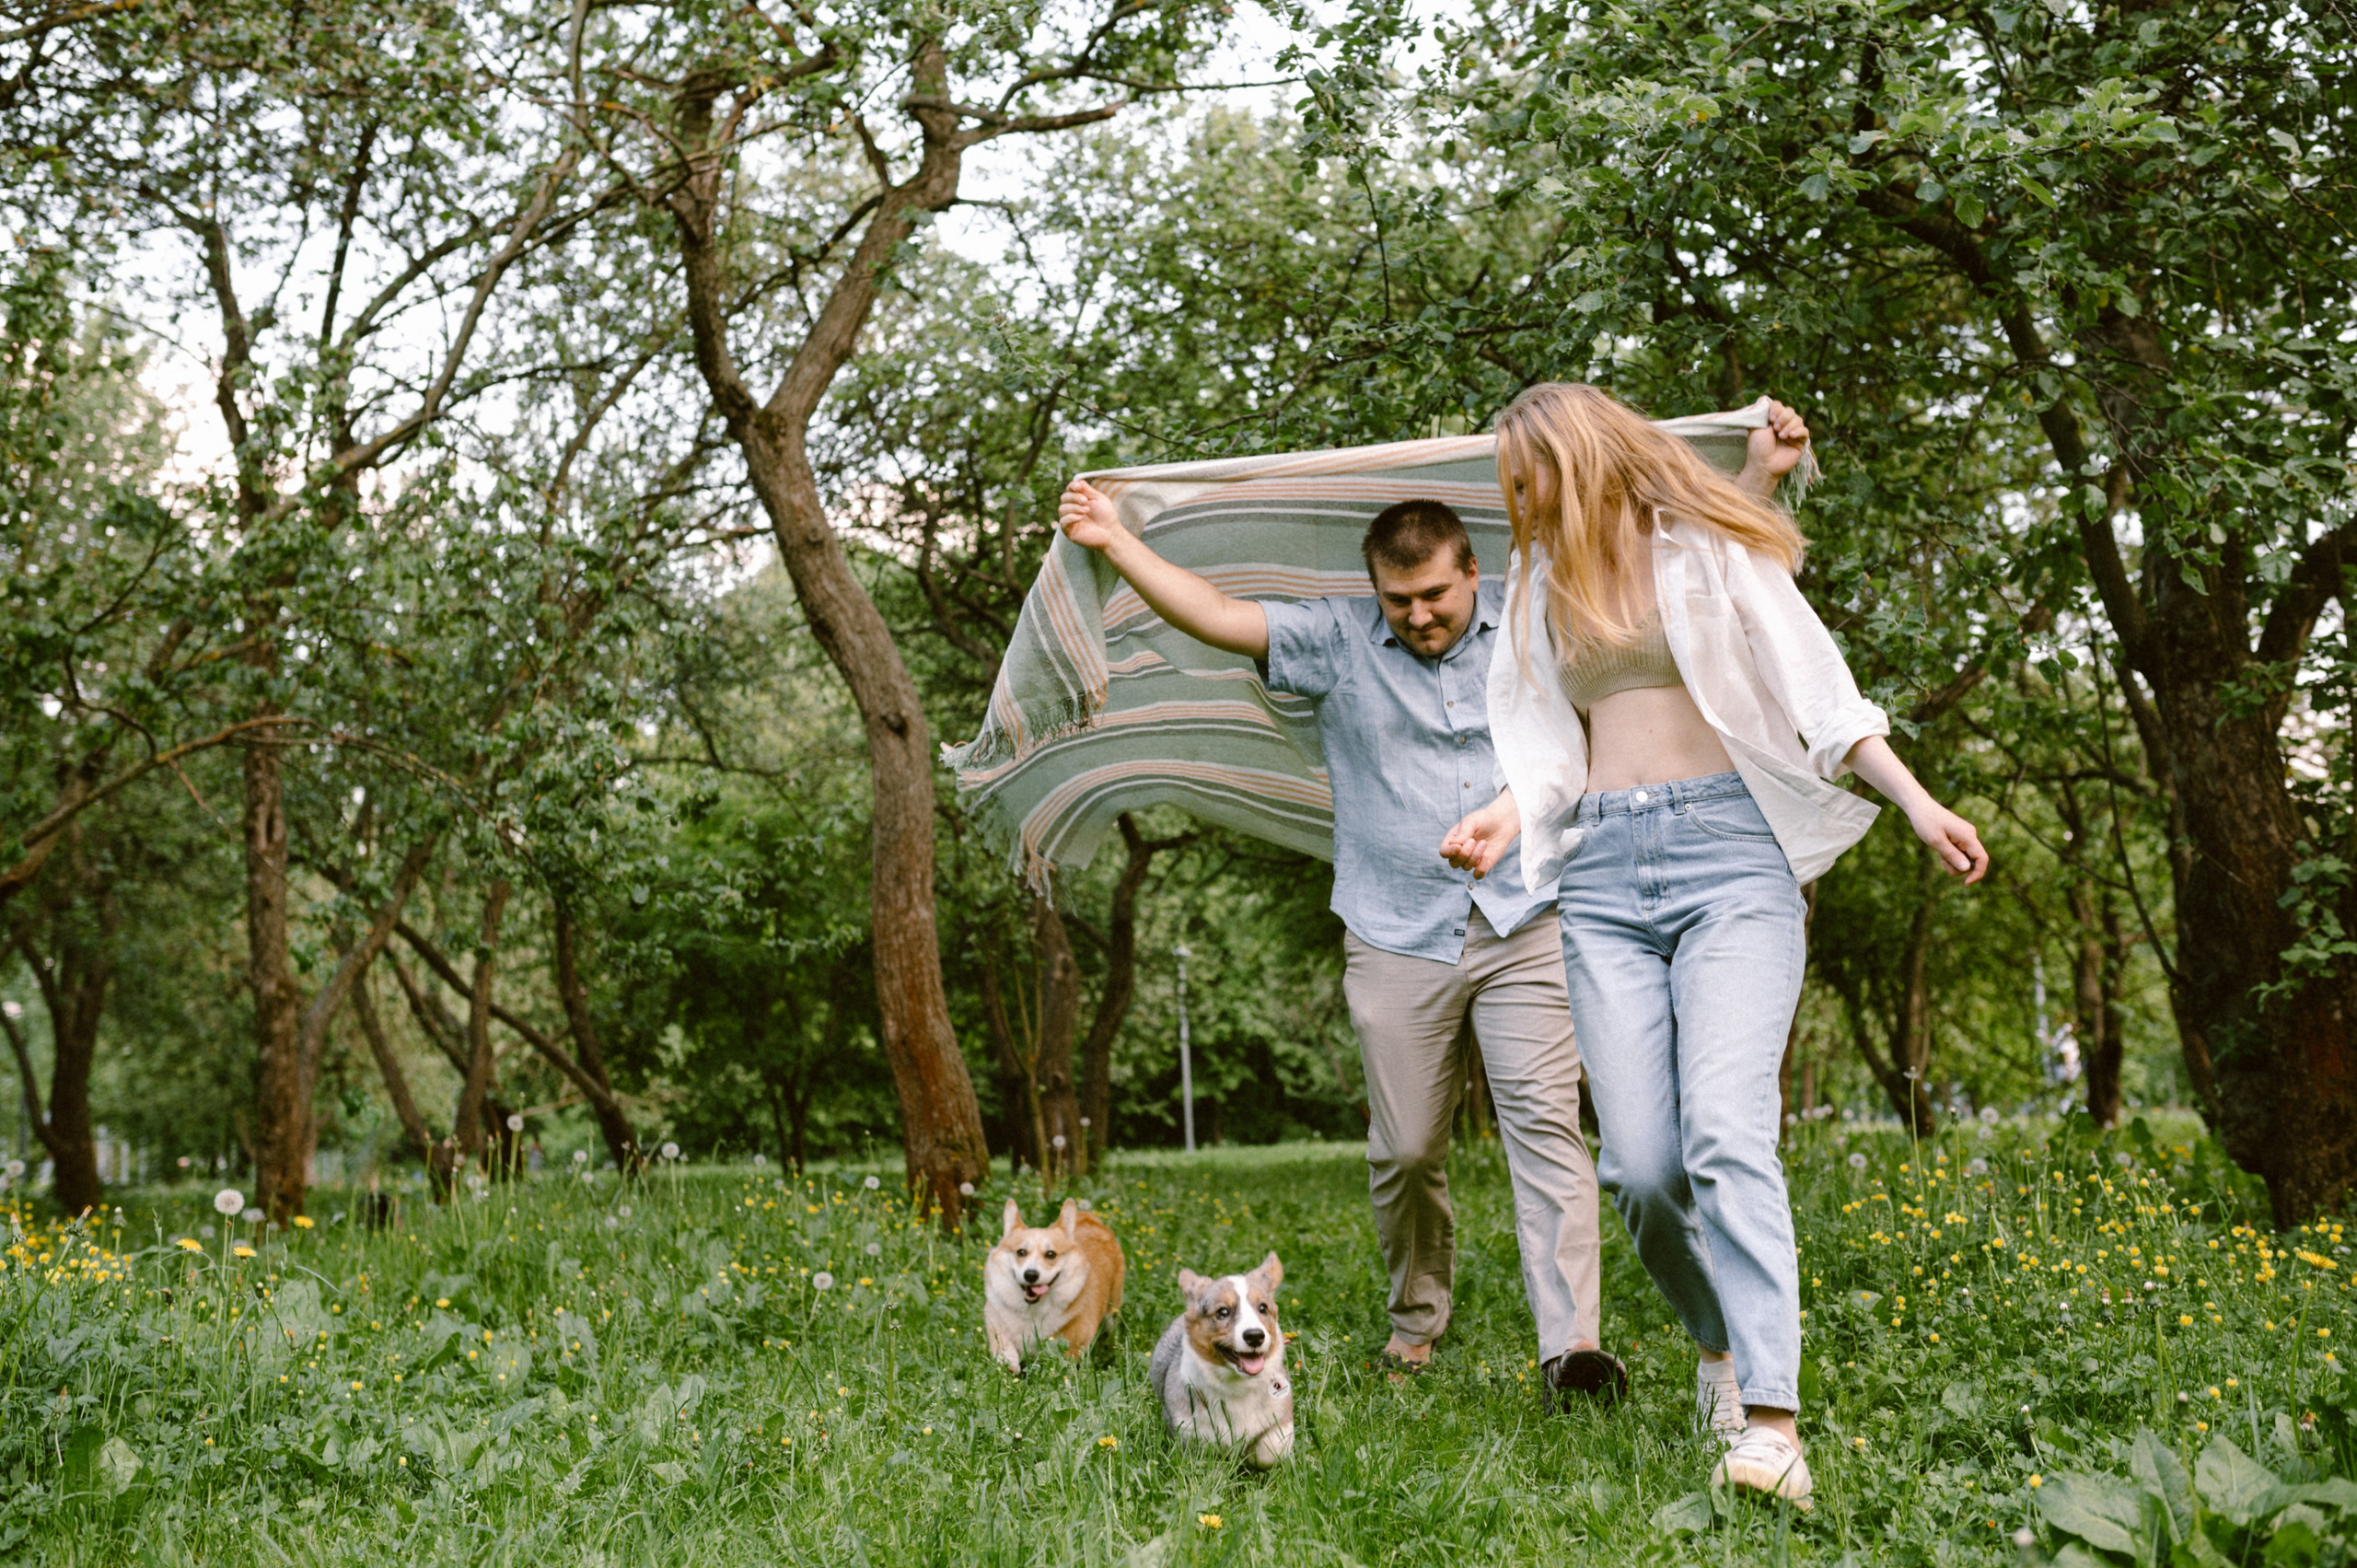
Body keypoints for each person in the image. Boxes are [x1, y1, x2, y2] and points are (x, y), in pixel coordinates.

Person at [1441, 386, 1987, 1506]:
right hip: (1602, 876)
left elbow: (1818, 688)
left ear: (1575, 461)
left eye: (1524, 478)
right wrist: (1503, 816)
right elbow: (1545, 747)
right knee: (1640, 1168)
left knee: (1727, 1137)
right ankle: (1718, 1342)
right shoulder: (1539, 580)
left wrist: (1918, 802)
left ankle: (1773, 1424)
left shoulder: (1706, 544)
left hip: (1731, 860)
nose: (1515, 501)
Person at [1058, 479, 1622, 1409]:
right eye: (1398, 600)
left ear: (1471, 571)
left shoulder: (1531, 626)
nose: (1419, 615)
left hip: (1526, 919)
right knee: (1405, 1148)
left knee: (1545, 1129)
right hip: (1394, 930)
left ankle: (1572, 1349)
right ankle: (1417, 1319)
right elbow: (1218, 616)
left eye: (1434, 594)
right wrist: (1116, 540)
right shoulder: (1336, 638)